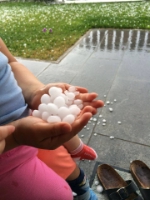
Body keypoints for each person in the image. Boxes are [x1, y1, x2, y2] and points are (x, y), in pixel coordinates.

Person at [0, 37, 104, 200]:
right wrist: (16, 137)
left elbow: (11, 64)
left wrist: (35, 92)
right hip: (5, 155)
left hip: (28, 120)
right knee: (59, 195)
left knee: (64, 162)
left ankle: (83, 189)